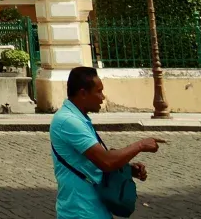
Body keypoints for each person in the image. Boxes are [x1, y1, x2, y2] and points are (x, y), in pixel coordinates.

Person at [50, 66, 161, 219]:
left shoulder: (77, 117)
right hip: (80, 211)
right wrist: (140, 145)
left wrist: (126, 169)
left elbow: (91, 161)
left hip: (93, 208)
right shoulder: (68, 121)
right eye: (99, 91)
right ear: (83, 93)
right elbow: (106, 161)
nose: (102, 97)